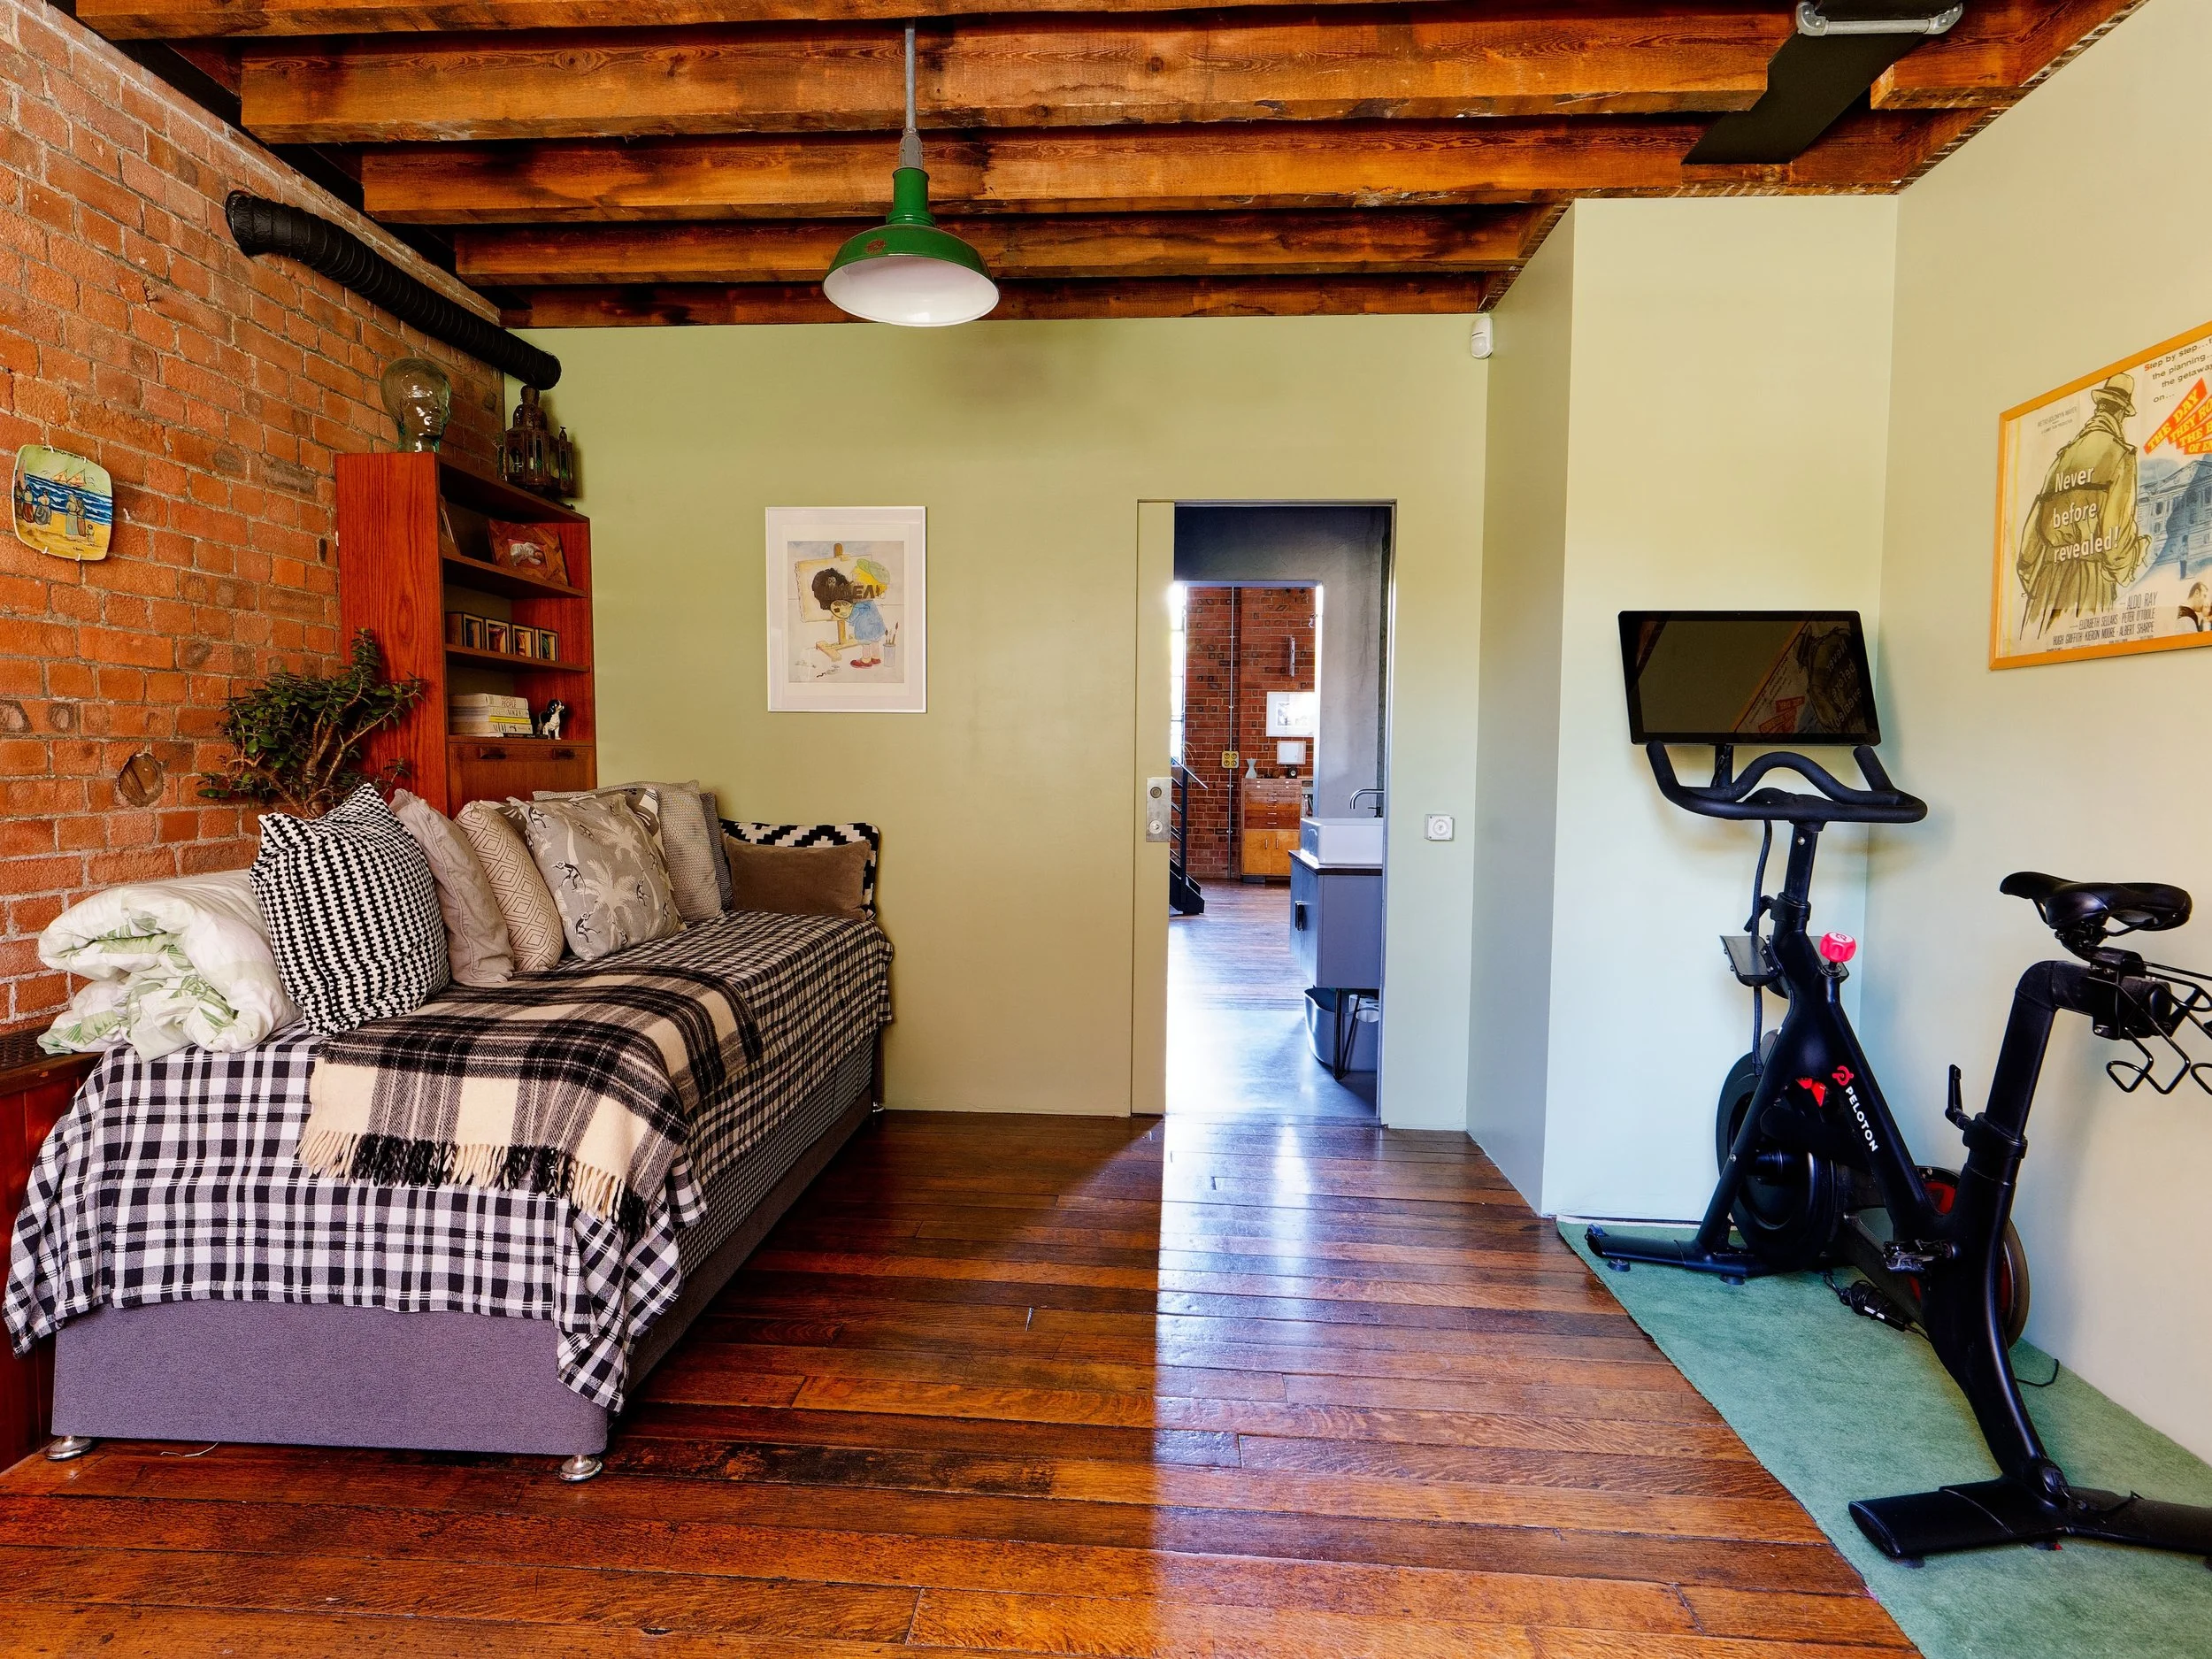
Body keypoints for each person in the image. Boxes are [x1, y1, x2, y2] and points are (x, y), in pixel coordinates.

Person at [2017, 374, 2152, 637]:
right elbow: (2116, 543)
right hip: (2091, 583)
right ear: (2123, 413)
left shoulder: (2062, 458)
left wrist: (2041, 580)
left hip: (2047, 585)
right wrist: (2140, 550)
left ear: (2100, 408)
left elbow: (2028, 549)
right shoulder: (2120, 455)